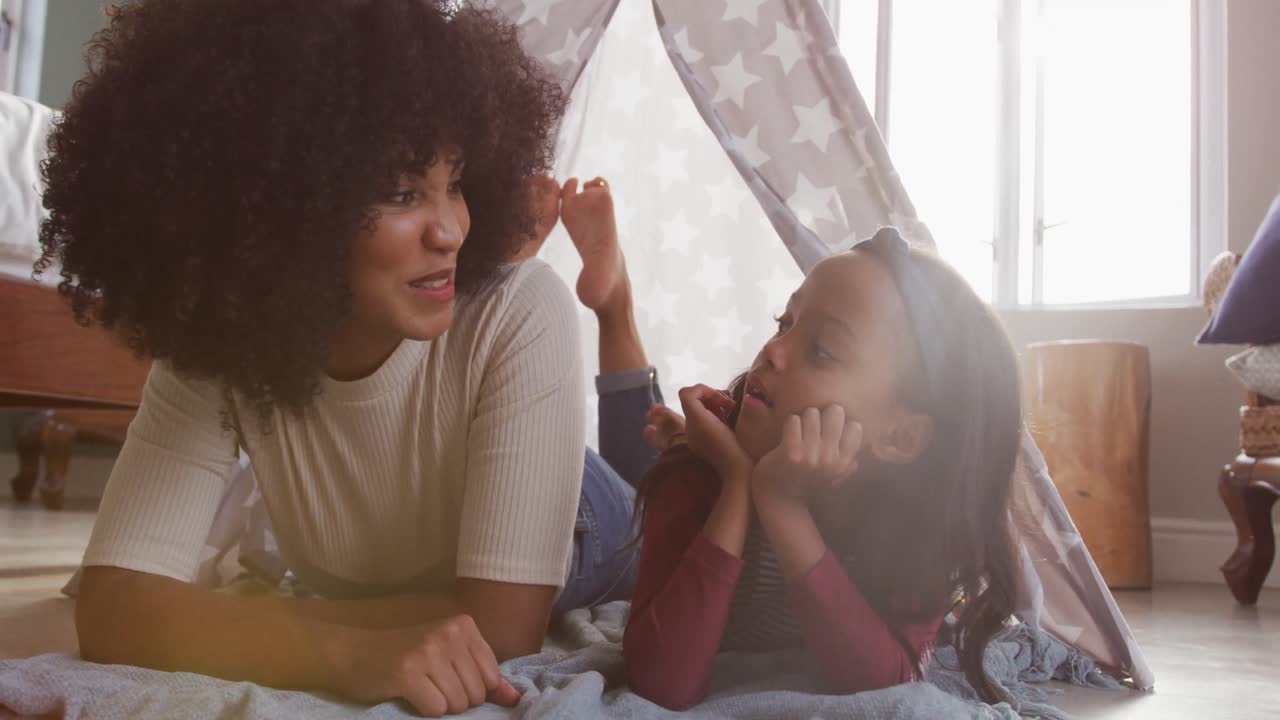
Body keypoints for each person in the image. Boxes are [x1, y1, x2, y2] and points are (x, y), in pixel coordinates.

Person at [38, 1, 648, 716]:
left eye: (456, 182)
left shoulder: (524, 307)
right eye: (402, 192)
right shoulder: (217, 346)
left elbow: (501, 627)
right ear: (276, 207)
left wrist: (228, 625)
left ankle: (615, 308)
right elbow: (112, 606)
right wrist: (339, 651)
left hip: (585, 516)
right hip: (430, 500)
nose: (452, 229)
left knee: (665, 506)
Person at [618, 227, 1025, 710]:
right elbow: (660, 683)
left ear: (900, 437)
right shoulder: (694, 475)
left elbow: (887, 689)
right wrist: (737, 483)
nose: (772, 350)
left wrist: (782, 505)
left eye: (821, 351)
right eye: (783, 324)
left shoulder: (916, 528)